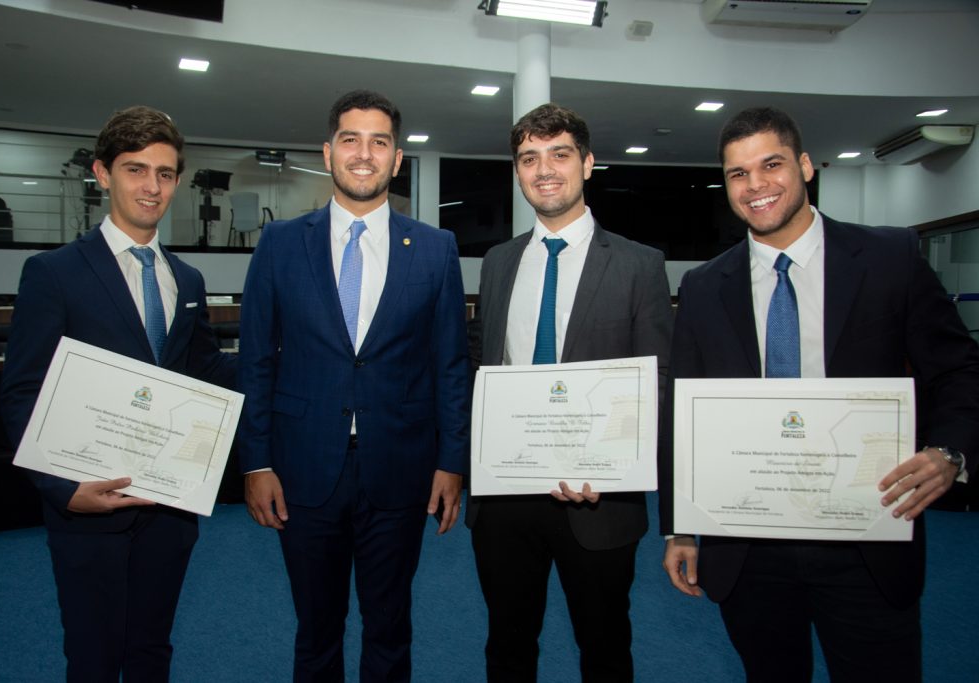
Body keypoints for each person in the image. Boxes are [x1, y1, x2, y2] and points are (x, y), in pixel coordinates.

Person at [659, 106, 979, 682]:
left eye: (771, 164)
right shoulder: (704, 287)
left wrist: (949, 452)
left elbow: (960, 370)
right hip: (749, 543)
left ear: (805, 166)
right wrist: (680, 525)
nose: (755, 186)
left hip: (866, 536)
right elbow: (683, 412)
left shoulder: (889, 259)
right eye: (737, 173)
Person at [237, 89, 470, 683]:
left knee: (390, 626)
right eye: (351, 139)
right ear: (328, 152)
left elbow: (450, 365)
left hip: (401, 469)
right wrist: (255, 462)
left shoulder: (437, 249)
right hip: (301, 470)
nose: (364, 153)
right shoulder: (279, 244)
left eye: (380, 142)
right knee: (316, 629)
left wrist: (452, 462)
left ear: (397, 160)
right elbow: (257, 361)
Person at [1, 105, 235, 682]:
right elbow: (22, 391)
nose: (150, 187)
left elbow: (204, 374)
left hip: (168, 508)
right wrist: (62, 489)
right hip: (88, 506)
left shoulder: (188, 280)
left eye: (163, 173)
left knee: (152, 650)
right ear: (102, 174)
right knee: (94, 657)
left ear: (177, 181)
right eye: (135, 170)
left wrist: (281, 357)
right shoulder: (53, 272)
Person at [466, 103, 673, 682]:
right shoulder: (499, 262)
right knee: (507, 644)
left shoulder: (639, 265)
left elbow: (656, 380)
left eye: (559, 154)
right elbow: (489, 367)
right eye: (529, 158)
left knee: (604, 648)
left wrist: (610, 462)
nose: (544, 169)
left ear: (587, 163)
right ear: (517, 170)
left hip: (598, 499)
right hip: (505, 498)